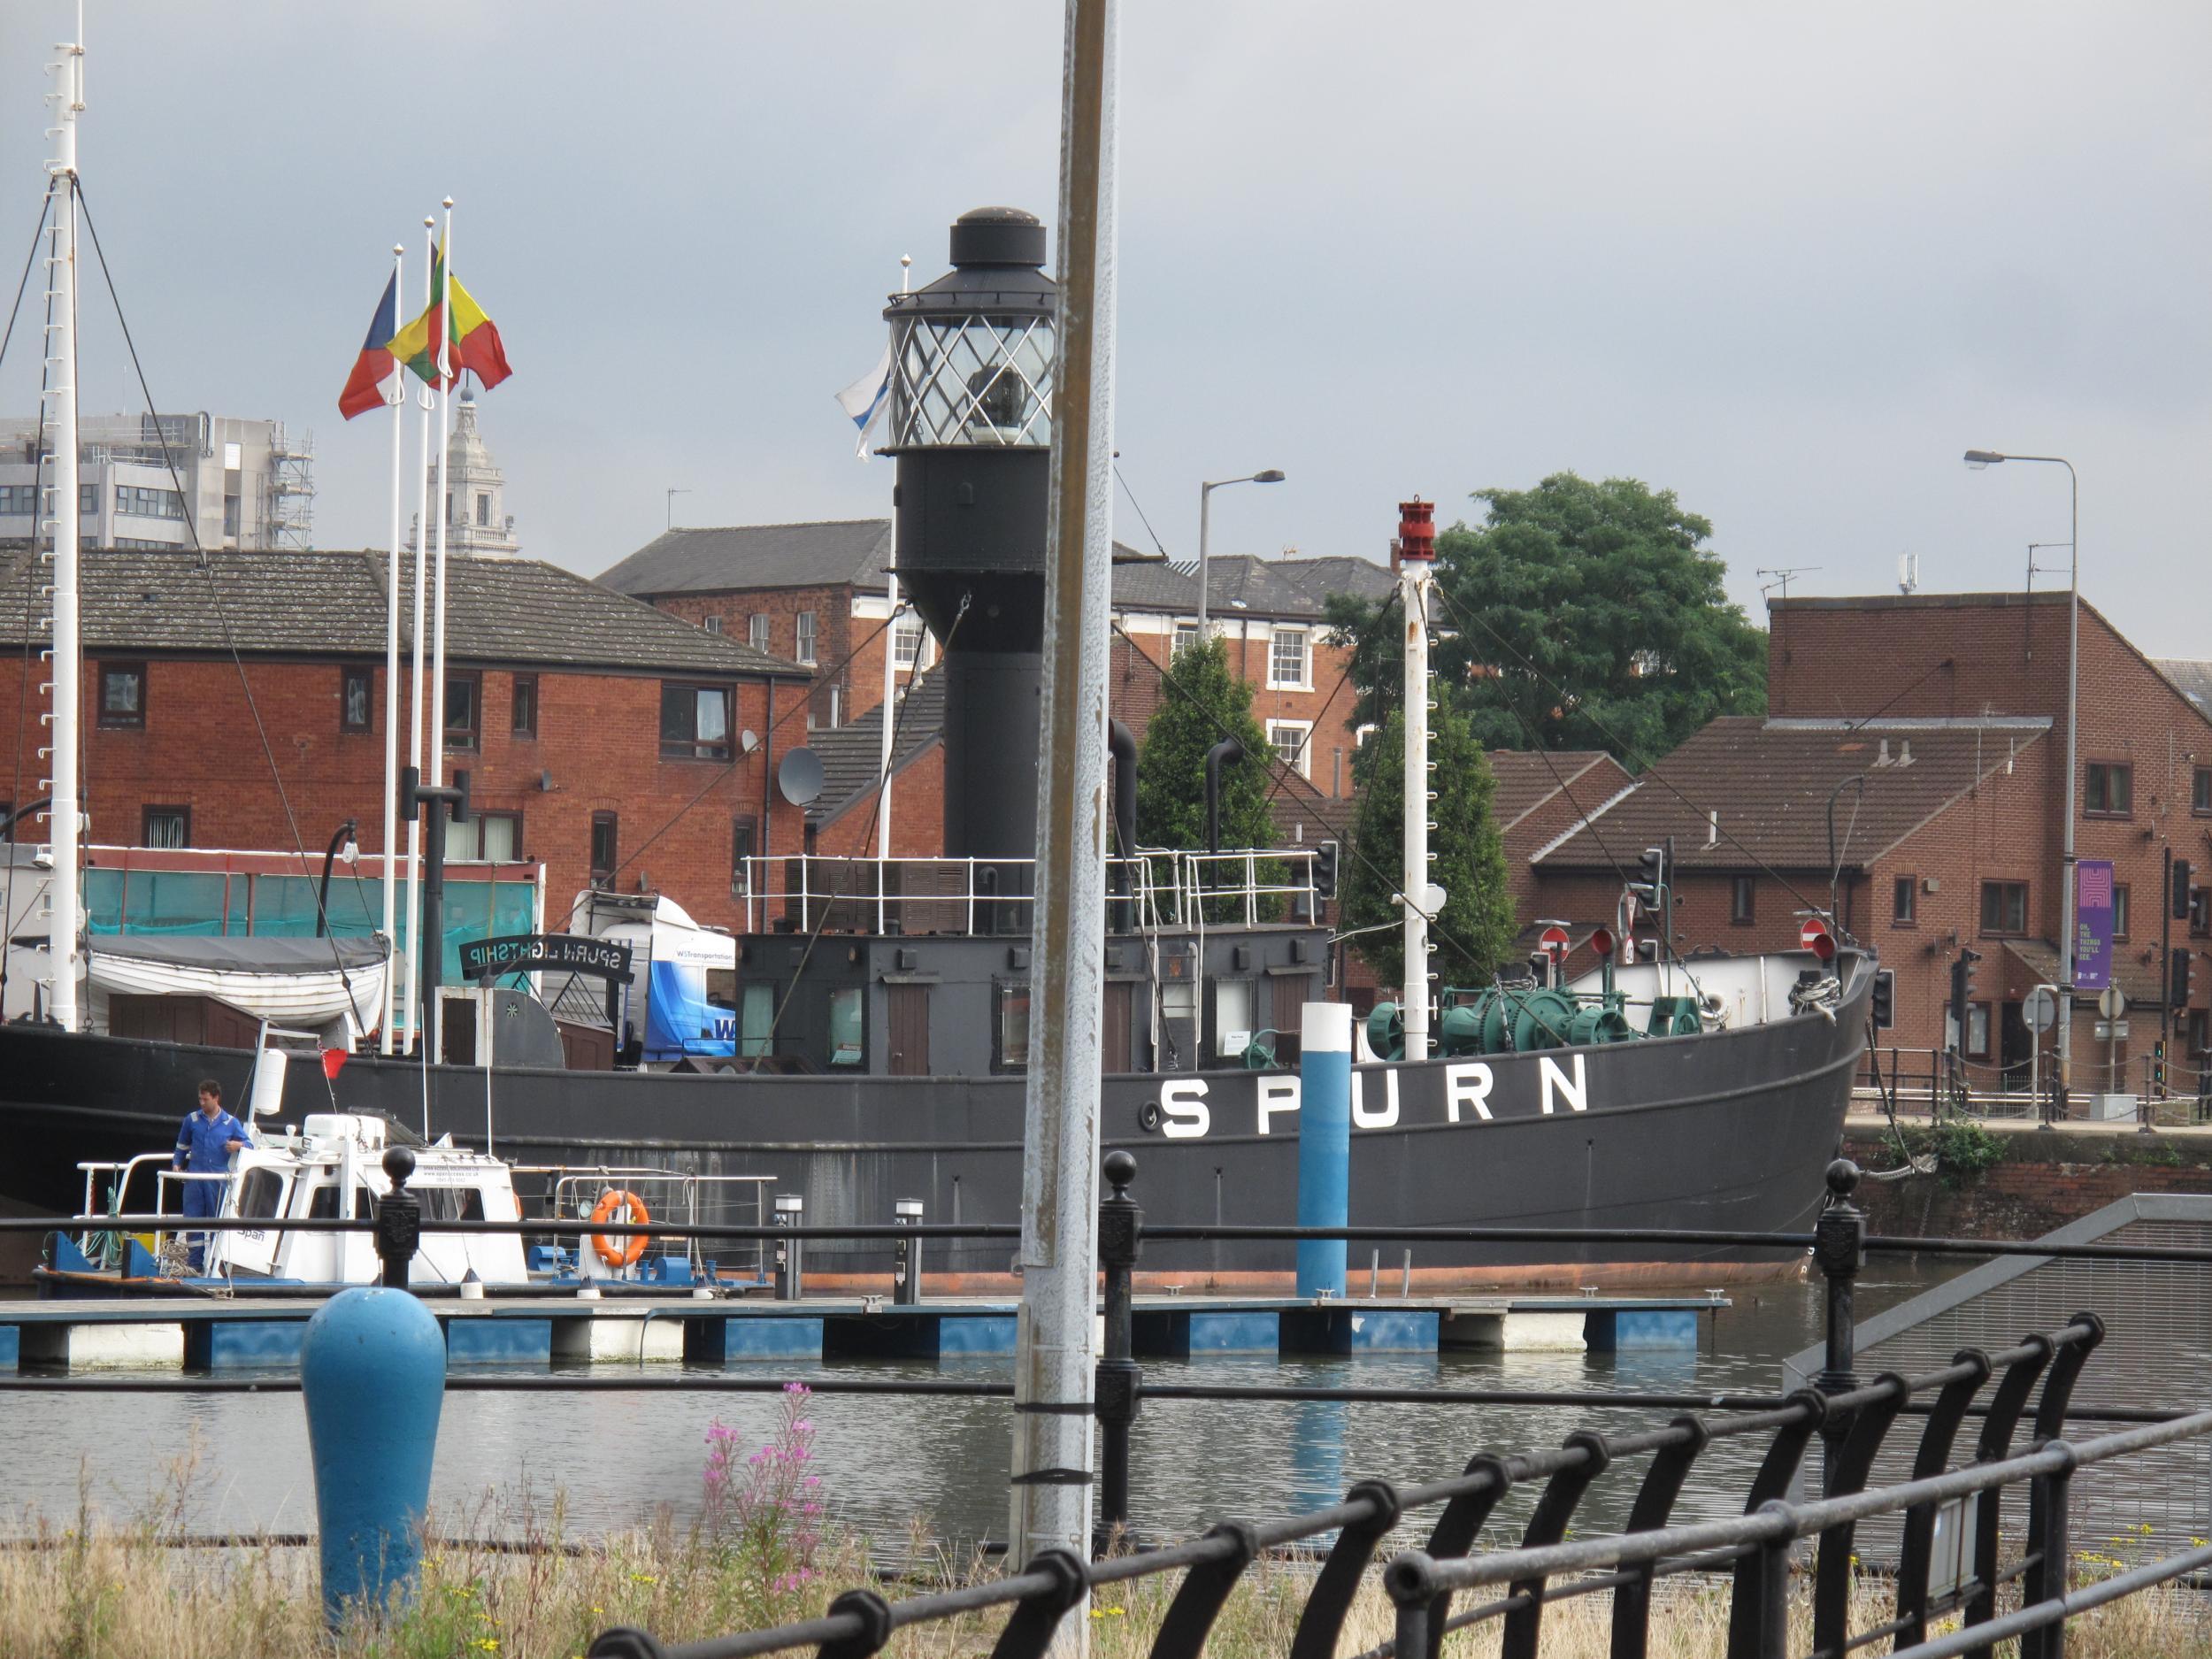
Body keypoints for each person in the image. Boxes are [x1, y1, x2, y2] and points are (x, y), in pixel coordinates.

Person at [172, 1079, 250, 1271]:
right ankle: (195, 1265)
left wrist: (238, 1145)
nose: (201, 1103)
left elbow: (250, 1145)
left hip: (217, 1181)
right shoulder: (192, 1120)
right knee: (193, 1220)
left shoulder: (231, 1123)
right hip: (195, 1180)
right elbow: (181, 1146)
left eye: (205, 1099)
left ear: (216, 1098)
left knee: (217, 1221)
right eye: (200, 1099)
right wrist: (176, 1164)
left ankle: (217, 1264)